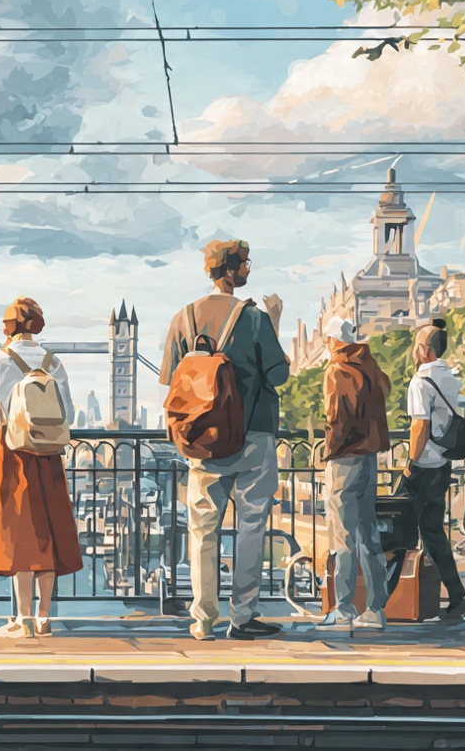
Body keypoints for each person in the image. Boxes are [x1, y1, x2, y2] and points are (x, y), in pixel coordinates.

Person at [159, 239, 290, 641]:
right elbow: (280, 375)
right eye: (245, 263)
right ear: (232, 271)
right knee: (251, 526)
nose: (249, 268)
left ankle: (202, 619)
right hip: (253, 437)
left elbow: (169, 380)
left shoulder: (182, 319)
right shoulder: (253, 317)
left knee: (202, 530)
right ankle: (243, 616)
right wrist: (275, 322)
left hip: (202, 440)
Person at [0, 297, 84, 638]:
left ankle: (21, 622)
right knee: (46, 532)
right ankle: (42, 617)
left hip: (9, 452)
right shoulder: (55, 362)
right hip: (48, 453)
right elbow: (67, 413)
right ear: (36, 325)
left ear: (8, 326)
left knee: (20, 532)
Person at [320, 315, 392, 630]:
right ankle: (376, 609)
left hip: (344, 458)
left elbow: (337, 416)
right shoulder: (370, 366)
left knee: (342, 537)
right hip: (370, 456)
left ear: (334, 341)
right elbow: (385, 391)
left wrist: (329, 450)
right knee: (368, 534)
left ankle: (343, 607)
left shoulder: (336, 370)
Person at [400, 319, 465, 620]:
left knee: (394, 528)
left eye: (417, 345)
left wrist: (408, 465)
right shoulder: (452, 378)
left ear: (426, 351)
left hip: (423, 465)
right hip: (442, 463)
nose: (414, 351)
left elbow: (420, 426)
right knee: (432, 533)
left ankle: (390, 598)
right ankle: (456, 597)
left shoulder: (420, 382)